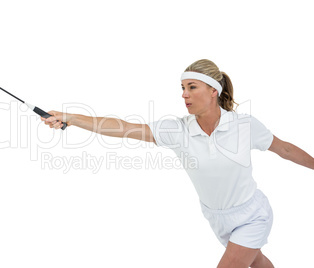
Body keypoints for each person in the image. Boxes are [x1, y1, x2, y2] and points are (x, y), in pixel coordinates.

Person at [41, 59, 314, 268]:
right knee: (258, 262)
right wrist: (71, 117)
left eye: (191, 87)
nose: (184, 94)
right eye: (182, 88)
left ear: (213, 91)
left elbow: (286, 149)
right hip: (216, 218)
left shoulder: (244, 126)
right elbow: (124, 127)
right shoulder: (177, 131)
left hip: (252, 215)